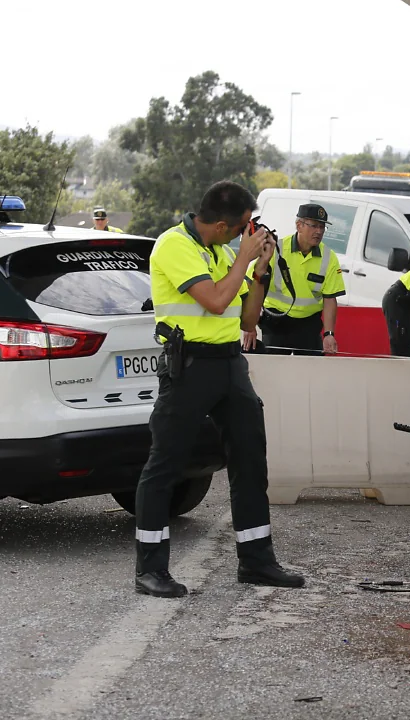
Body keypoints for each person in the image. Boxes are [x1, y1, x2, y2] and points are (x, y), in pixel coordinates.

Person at [135, 180, 305, 598]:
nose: (250, 234)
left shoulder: (227, 251)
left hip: (230, 363)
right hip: (189, 366)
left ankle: (257, 560)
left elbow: (248, 321)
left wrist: (259, 270)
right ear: (225, 224)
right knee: (165, 465)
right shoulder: (173, 246)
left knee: (250, 457)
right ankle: (150, 568)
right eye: (245, 227)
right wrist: (243, 260)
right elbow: (213, 300)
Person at [242, 203, 345, 356]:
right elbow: (253, 284)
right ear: (299, 225)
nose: (318, 231)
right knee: (274, 373)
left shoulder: (329, 257)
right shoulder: (276, 249)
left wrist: (329, 334)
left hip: (308, 326)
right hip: (276, 323)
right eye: (314, 226)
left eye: (322, 227)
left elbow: (330, 299)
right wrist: (249, 327)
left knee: (310, 376)